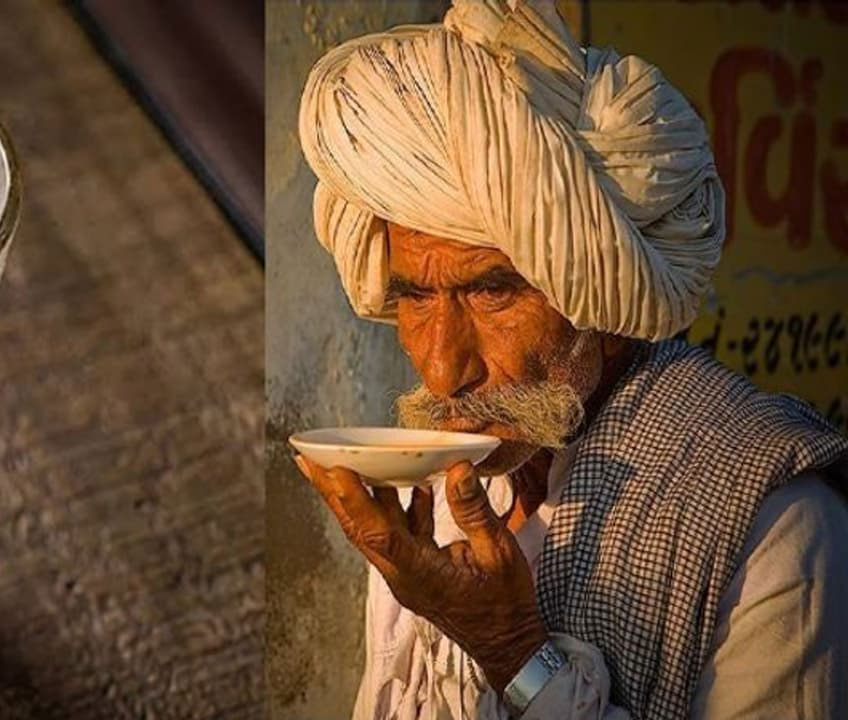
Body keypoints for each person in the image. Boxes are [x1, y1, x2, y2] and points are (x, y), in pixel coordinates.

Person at [292, 1, 848, 718]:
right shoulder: (437, 488)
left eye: (492, 292)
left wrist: (513, 653)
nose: (441, 371)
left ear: (606, 308)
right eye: (416, 297)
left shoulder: (777, 528)